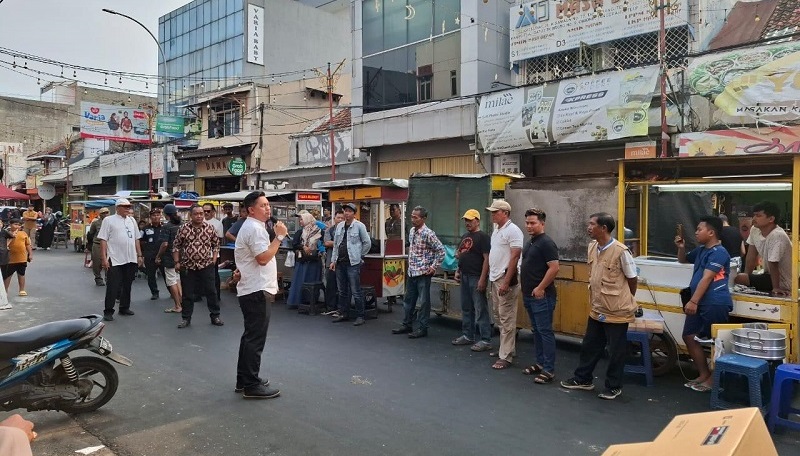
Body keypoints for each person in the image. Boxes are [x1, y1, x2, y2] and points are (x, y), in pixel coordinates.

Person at [560, 213, 638, 400]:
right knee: (590, 345)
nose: (588, 227)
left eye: (592, 224)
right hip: (598, 307)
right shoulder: (593, 247)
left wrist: (625, 298)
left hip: (617, 310)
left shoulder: (621, 251)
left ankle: (613, 386)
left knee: (616, 351)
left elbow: (632, 278)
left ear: (603, 228)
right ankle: (583, 379)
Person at [233, 191, 287, 399]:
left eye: (268, 205)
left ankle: (244, 378)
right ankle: (251, 384)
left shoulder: (256, 227)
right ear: (251, 209)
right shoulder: (254, 229)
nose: (268, 208)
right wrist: (279, 237)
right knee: (255, 339)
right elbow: (263, 258)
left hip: (253, 287)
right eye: (263, 205)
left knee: (250, 337)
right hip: (256, 289)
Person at [676, 216, 733, 392]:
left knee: (717, 342)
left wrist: (693, 300)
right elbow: (683, 259)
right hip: (699, 302)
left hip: (714, 302)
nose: (696, 232)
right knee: (689, 336)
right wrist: (681, 248)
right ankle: (703, 374)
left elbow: (707, 278)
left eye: (699, 229)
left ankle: (714, 380)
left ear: (711, 232)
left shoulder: (719, 252)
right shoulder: (701, 250)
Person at [519, 208, 560, 384]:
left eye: (533, 223)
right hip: (529, 294)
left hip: (542, 296)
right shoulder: (530, 242)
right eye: (527, 222)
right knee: (536, 331)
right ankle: (540, 362)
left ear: (542, 223)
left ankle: (549, 369)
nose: (529, 226)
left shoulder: (546, 243)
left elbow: (554, 268)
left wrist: (541, 287)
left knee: (545, 332)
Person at [392, 206, 445, 339]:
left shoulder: (428, 233)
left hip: (423, 273)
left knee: (424, 302)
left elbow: (441, 250)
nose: (413, 219)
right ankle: (407, 324)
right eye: (412, 216)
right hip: (412, 272)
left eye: (416, 217)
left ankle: (423, 327)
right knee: (408, 300)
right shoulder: (412, 231)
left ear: (423, 218)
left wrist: (433, 267)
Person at [485, 200, 523, 370]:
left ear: (505, 213)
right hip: (496, 277)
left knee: (506, 316)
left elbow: (515, 256)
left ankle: (505, 356)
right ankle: (506, 348)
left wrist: (507, 281)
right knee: (498, 315)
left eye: (495, 212)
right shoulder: (497, 230)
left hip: (505, 277)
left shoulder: (513, 230)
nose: (492, 214)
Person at [173, 204, 222, 328]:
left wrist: (214, 259)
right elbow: (176, 246)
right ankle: (186, 318)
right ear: (191, 215)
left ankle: (215, 316)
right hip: (188, 266)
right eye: (196, 214)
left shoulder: (210, 228)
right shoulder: (183, 228)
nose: (200, 216)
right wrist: (177, 262)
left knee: (211, 291)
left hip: (206, 265)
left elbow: (216, 245)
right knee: (188, 294)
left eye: (201, 213)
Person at [451, 209, 492, 351]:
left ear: (477, 221)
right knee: (466, 307)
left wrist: (483, 279)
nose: (467, 223)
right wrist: (457, 271)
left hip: (476, 276)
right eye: (466, 220)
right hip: (465, 275)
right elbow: (462, 254)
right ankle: (468, 335)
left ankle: (485, 339)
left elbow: (487, 259)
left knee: (480, 309)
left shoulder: (483, 237)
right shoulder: (465, 236)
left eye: (470, 220)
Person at [98, 199, 143, 321]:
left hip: (130, 258)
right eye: (125, 206)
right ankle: (108, 310)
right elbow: (103, 240)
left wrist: (139, 255)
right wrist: (103, 258)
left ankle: (124, 307)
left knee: (127, 284)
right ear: (118, 207)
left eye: (129, 206)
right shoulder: (109, 220)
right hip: (115, 258)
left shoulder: (132, 220)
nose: (128, 208)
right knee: (113, 285)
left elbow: (136, 239)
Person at [735, 201, 792, 296]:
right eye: (754, 215)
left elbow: (773, 264)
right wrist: (746, 278)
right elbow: (751, 256)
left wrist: (776, 288)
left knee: (737, 278)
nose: (754, 219)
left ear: (771, 219)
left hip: (782, 281)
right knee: (740, 278)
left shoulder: (777, 235)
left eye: (758, 216)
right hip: (767, 276)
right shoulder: (754, 230)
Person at [330, 202, 371, 325]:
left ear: (354, 213)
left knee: (355, 290)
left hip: (353, 263)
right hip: (340, 262)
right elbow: (336, 245)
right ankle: (344, 313)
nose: (347, 213)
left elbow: (367, 243)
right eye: (345, 211)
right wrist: (333, 261)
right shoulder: (340, 226)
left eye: (349, 211)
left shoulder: (359, 226)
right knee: (342, 290)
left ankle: (360, 315)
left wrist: (360, 256)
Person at [156, 204, 183, 313]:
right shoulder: (182, 225)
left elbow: (165, 244)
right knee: (178, 280)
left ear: (166, 214)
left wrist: (158, 256)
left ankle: (177, 305)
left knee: (172, 281)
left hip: (170, 258)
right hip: (182, 256)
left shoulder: (167, 227)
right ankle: (181, 303)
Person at [3, 219, 32, 296]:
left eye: (19, 225)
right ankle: (5, 291)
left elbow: (27, 245)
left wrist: (30, 254)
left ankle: (22, 289)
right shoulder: (6, 233)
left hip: (22, 258)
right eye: (15, 224)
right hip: (10, 259)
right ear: (10, 225)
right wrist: (12, 236)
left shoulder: (23, 233)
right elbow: (4, 245)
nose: (17, 226)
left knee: (21, 274)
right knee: (7, 276)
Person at [141, 208, 165, 300]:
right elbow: (140, 241)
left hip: (163, 255)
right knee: (151, 276)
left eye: (158, 215)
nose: (156, 217)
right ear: (150, 217)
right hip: (150, 256)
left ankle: (172, 291)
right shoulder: (145, 228)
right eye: (154, 215)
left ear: (160, 216)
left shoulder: (164, 227)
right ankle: (155, 292)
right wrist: (143, 253)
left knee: (167, 275)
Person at [323, 209, 345, 312]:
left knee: (342, 286)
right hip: (330, 261)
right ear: (334, 218)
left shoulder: (346, 230)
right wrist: (339, 243)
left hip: (343, 261)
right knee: (330, 285)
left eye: (342, 218)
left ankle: (341, 307)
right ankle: (330, 307)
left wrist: (334, 243)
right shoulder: (329, 230)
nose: (340, 220)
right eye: (338, 218)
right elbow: (326, 242)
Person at [203, 203, 225, 301]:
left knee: (214, 275)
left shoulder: (217, 223)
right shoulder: (199, 221)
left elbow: (220, 238)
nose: (206, 213)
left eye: (208, 211)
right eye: (204, 211)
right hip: (199, 253)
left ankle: (216, 295)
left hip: (213, 253)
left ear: (213, 212)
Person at [87, 208, 111, 286]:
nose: (105, 214)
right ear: (100, 215)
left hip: (109, 244)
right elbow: (91, 233)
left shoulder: (112, 222)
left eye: (107, 212)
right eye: (103, 213)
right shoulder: (96, 223)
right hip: (97, 244)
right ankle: (98, 278)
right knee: (97, 262)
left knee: (109, 262)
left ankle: (108, 278)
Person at [0, 220, 15, 310]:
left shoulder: (4, 232)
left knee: (4, 274)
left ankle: (4, 293)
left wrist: (7, 244)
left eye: (0, 223)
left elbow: (12, 236)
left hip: (3, 255)